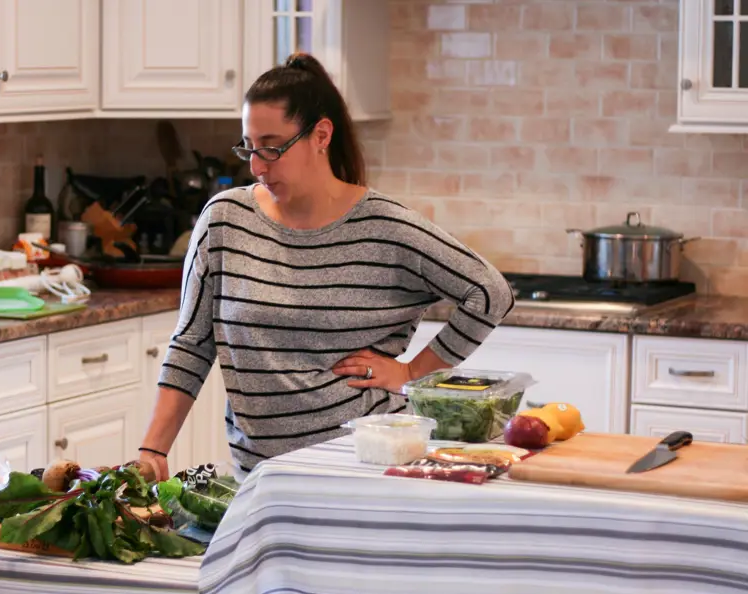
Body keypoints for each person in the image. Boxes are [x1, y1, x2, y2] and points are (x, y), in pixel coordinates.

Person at [136, 53, 515, 482]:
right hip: (259, 476)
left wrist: (411, 374)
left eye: (272, 147)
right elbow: (191, 345)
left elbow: (488, 293)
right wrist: (153, 450)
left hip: (360, 468)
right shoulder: (224, 220)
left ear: (321, 135)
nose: (257, 165)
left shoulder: (384, 227)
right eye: (248, 147)